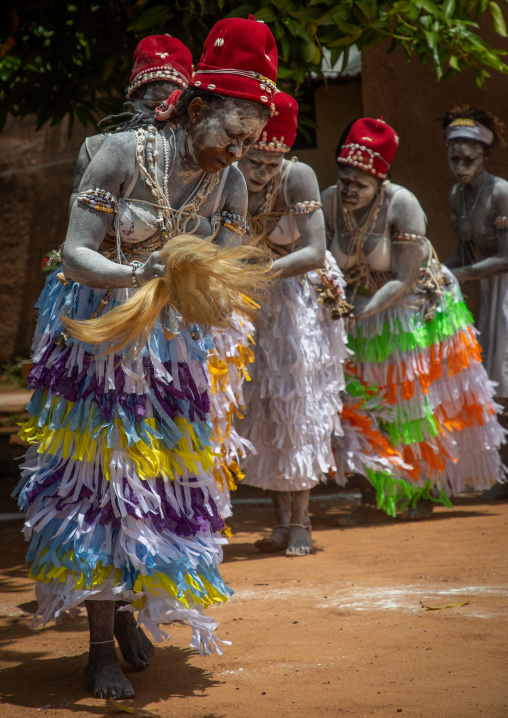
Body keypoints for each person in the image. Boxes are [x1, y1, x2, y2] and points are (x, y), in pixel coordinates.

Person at [14, 16, 278, 700]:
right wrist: (144, 276)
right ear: (195, 110)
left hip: (170, 349)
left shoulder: (233, 185)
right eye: (230, 137)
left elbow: (215, 277)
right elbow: (76, 252)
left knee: (152, 486)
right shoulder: (119, 154)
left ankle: (129, 609)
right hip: (97, 335)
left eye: (250, 143)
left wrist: (203, 293)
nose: (237, 154)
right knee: (101, 484)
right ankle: (99, 646)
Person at [321, 117, 505, 524]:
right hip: (357, 311)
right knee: (358, 400)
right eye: (345, 178)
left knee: (408, 402)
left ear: (381, 183)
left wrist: (357, 312)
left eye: (360, 184)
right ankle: (373, 494)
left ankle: (418, 492)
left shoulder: (402, 205)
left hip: (413, 310)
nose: (350, 189)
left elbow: (403, 280)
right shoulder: (330, 201)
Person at [237, 91, 349, 556]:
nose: (261, 174)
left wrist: (258, 273)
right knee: (263, 405)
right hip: (254, 297)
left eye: (269, 165)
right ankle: (280, 520)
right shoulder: (227, 176)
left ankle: (303, 520)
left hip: (303, 299)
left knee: (298, 407)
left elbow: (315, 251)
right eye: (254, 163)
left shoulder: (298, 177)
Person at [442, 106, 508, 501]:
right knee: (491, 385)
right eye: (454, 160)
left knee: (502, 379)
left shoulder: (500, 192)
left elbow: (505, 257)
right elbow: (461, 258)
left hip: (504, 292)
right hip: (484, 293)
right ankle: (499, 475)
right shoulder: (456, 195)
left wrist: (454, 276)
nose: (461, 168)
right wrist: (432, 270)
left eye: (469, 160)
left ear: (484, 157)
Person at [70, 35, 193, 209]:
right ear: (130, 103)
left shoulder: (200, 161)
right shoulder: (96, 149)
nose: (160, 115)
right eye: (151, 106)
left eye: (171, 109)